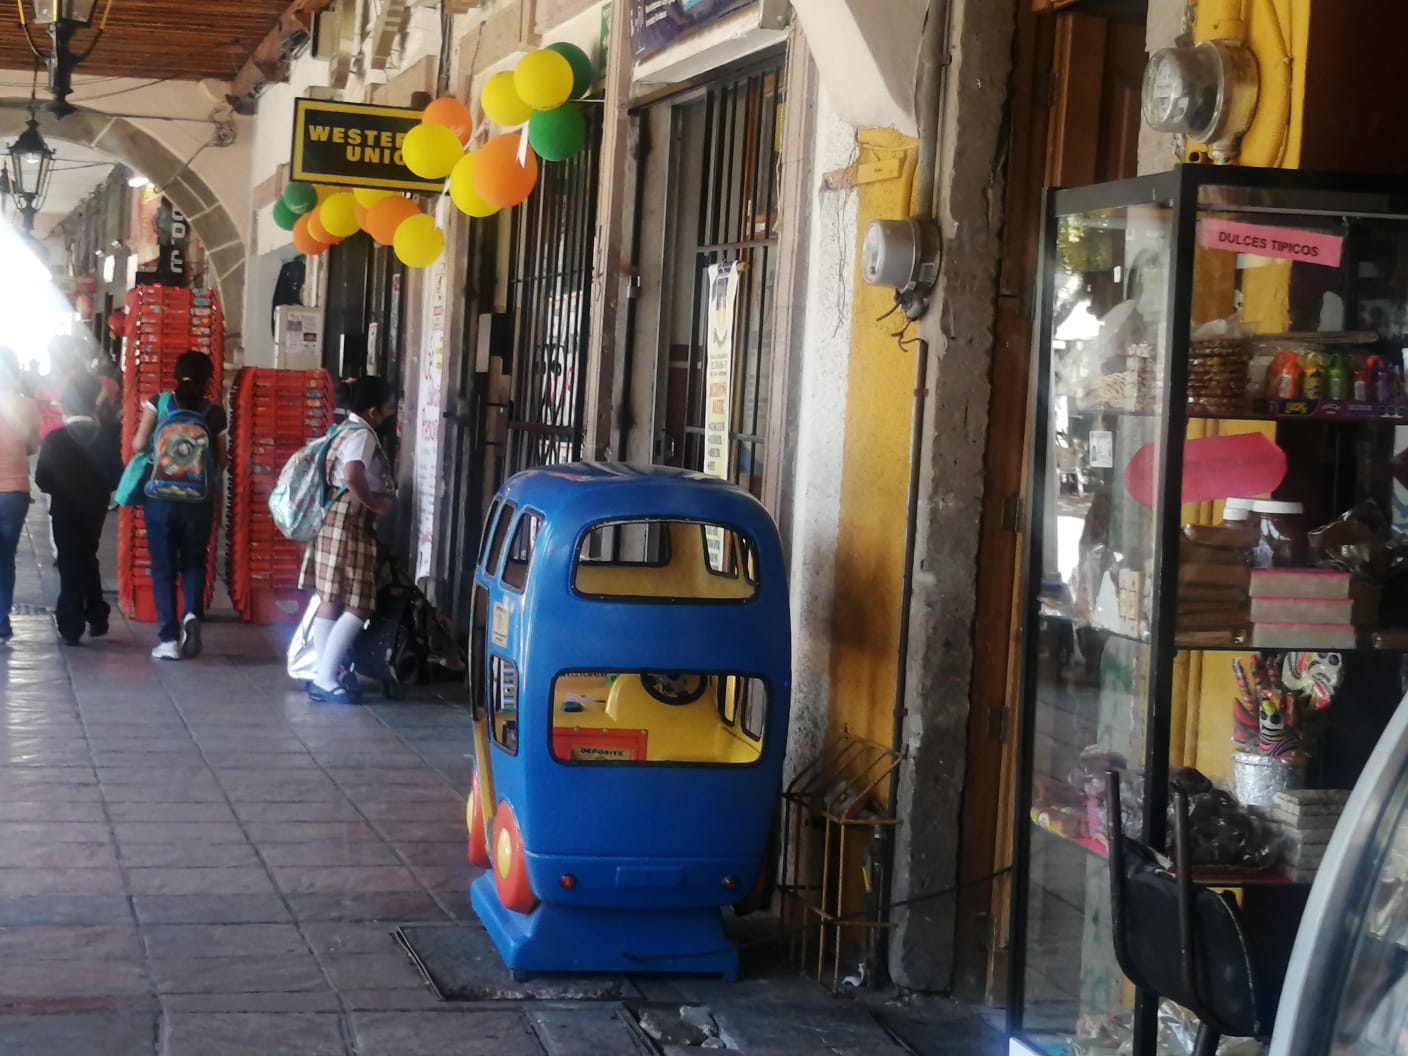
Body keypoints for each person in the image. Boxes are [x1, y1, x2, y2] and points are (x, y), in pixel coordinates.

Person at [301, 375, 395, 703]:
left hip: (333, 520)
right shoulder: (362, 436)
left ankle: (325, 673)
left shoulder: (341, 429)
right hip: (350, 522)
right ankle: (326, 677)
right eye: (388, 409)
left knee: (332, 598)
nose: (391, 415)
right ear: (373, 411)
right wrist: (376, 504)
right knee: (359, 603)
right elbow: (354, 475)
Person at [130, 350, 227, 661]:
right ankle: (191, 615)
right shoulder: (215, 412)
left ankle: (169, 639)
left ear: (175, 374)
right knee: (194, 562)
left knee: (163, 569)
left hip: (160, 498)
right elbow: (221, 462)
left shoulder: (158, 402)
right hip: (198, 501)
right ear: (208, 379)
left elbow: (137, 444)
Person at [34, 376, 122, 645]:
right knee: (86, 556)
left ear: (65, 406)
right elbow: (116, 476)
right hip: (94, 508)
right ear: (93, 404)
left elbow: (42, 480)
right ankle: (96, 612)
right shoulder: (105, 437)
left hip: (64, 509)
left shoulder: (55, 438)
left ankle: (71, 623)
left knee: (71, 561)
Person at [0, 348, 38, 642]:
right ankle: (1, 623)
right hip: (15, 491)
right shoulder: (27, 406)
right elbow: (32, 447)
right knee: (6, 558)